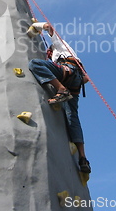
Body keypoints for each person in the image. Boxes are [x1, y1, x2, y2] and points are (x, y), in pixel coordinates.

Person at [28, 22, 92, 173]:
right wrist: (74, 84)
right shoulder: (68, 56)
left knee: (35, 64)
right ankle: (83, 158)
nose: (49, 56)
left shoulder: (59, 45)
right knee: (73, 120)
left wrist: (36, 25)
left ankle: (61, 90)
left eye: (48, 53)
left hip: (68, 72)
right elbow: (86, 78)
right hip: (75, 82)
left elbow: (49, 27)